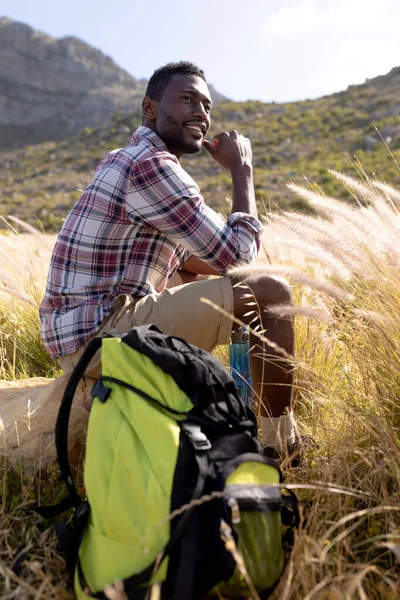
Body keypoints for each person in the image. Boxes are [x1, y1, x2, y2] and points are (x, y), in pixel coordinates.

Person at [40, 61, 298, 460]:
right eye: (187, 99)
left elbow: (191, 260)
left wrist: (227, 274)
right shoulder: (151, 165)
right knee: (270, 294)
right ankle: (279, 447)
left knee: (224, 289)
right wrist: (242, 170)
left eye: (208, 106)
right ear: (150, 108)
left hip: (81, 330)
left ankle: (238, 416)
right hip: (97, 336)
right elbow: (237, 257)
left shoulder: (131, 157)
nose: (202, 113)